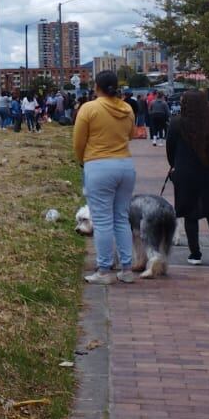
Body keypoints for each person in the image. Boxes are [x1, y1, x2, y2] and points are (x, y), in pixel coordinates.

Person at [73, 71, 138, 285]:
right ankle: (127, 269)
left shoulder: (89, 108)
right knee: (121, 218)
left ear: (96, 87)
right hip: (125, 165)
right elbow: (130, 135)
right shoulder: (127, 108)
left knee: (102, 221)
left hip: (98, 165)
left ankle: (104, 270)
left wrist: (82, 160)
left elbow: (78, 141)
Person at [166, 89, 209, 266]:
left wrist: (175, 166)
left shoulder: (176, 123)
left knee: (190, 213)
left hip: (186, 174)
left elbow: (170, 149)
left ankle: (195, 254)